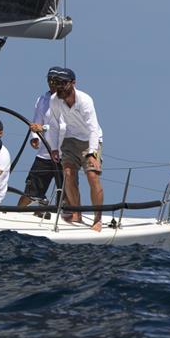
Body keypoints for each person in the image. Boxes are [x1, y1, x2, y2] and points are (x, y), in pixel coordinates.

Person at [46, 67, 105, 232]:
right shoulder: (54, 100)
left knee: (92, 176)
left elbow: (93, 128)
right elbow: (54, 125)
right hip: (70, 140)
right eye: (56, 83)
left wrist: (93, 153)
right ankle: (76, 212)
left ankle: (97, 218)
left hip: (90, 141)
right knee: (68, 174)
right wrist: (54, 148)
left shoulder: (85, 100)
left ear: (73, 83)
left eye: (63, 83)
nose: (60, 87)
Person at [18, 70, 63, 209]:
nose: (51, 83)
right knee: (30, 192)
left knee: (66, 194)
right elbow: (36, 122)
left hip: (65, 154)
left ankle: (66, 219)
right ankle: (17, 216)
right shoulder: (42, 99)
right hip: (45, 153)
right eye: (49, 79)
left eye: (55, 80)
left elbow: (63, 125)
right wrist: (35, 138)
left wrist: (42, 128)